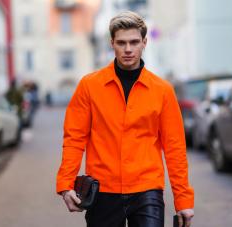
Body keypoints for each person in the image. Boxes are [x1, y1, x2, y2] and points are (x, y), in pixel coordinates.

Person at [56, 11, 194, 227]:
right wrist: (66, 184)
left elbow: (175, 147)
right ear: (112, 43)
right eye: (121, 43)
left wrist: (183, 199)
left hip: (147, 191)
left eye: (134, 42)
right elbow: (74, 138)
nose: (128, 49)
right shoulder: (89, 86)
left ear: (144, 42)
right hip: (103, 191)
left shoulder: (163, 91)